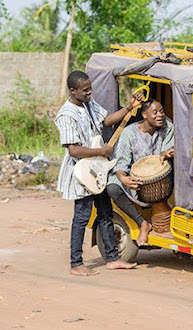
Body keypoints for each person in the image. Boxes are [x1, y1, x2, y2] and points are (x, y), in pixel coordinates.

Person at [55, 70, 140, 276]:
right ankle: (76, 263)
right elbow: (73, 149)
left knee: (105, 213)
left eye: (90, 88)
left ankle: (112, 258)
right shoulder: (66, 115)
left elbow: (107, 120)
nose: (89, 92)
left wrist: (128, 107)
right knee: (81, 218)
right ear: (73, 90)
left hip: (98, 168)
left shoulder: (88, 104)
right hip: (82, 172)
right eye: (85, 90)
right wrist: (101, 151)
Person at [107, 99, 175, 245]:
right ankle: (142, 222)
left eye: (161, 111)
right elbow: (121, 163)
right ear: (144, 114)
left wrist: (168, 153)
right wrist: (124, 178)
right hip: (135, 181)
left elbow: (171, 145)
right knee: (112, 187)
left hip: (160, 181)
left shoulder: (167, 126)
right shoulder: (129, 133)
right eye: (155, 112)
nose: (160, 115)